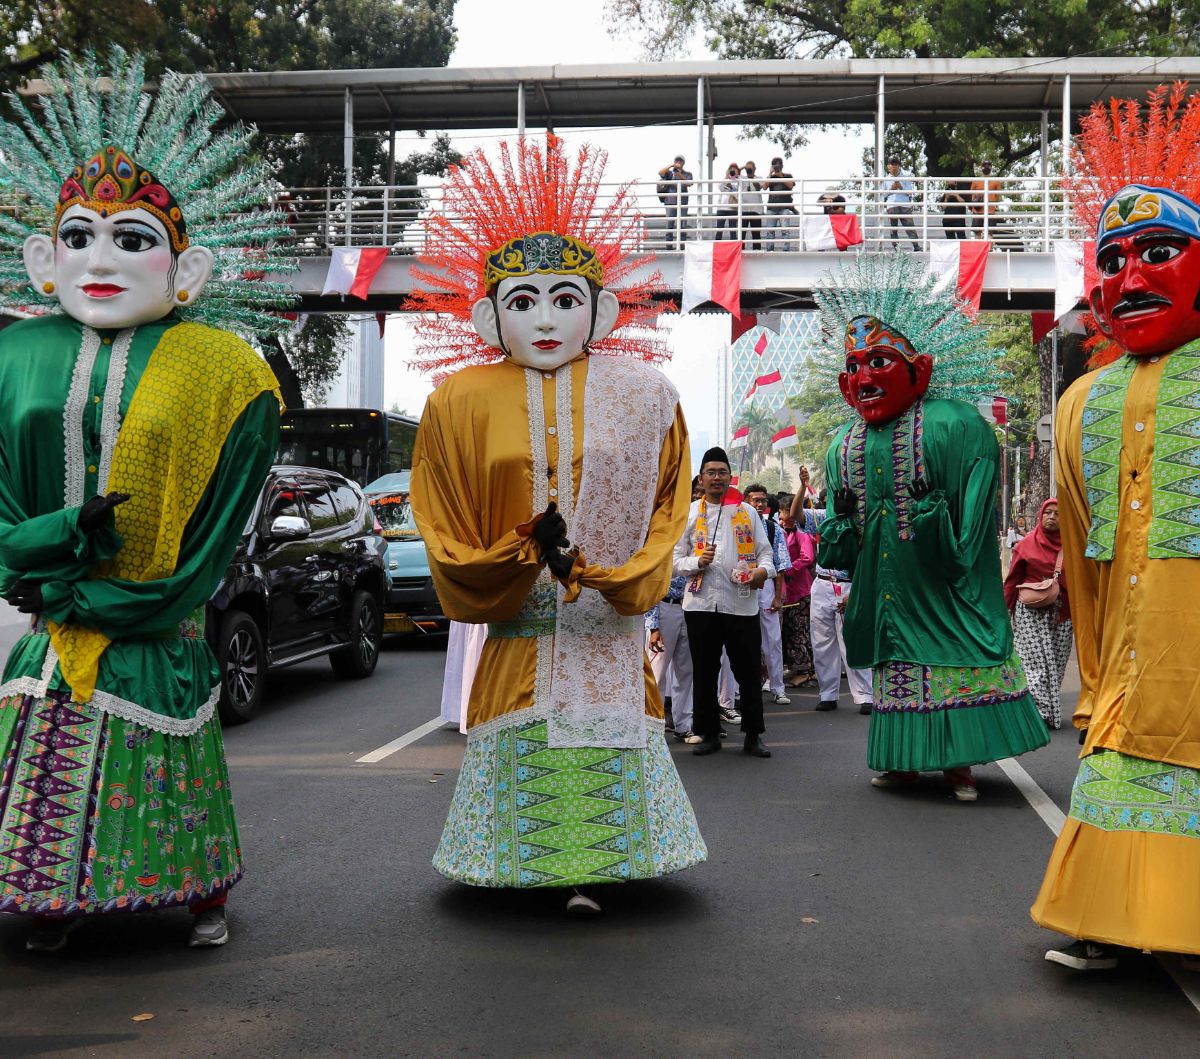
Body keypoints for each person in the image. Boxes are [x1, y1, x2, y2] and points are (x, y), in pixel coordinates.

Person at [0, 49, 290, 951]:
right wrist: (48, 551)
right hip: (56, 619)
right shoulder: (15, 357)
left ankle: (196, 892)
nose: (102, 259)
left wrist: (154, 594)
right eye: (80, 235)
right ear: (44, 258)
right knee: (45, 760)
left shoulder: (224, 368)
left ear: (184, 269)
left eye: (132, 240)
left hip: (156, 623)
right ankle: (51, 898)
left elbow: (221, 514)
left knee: (163, 762)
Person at [409, 136, 706, 913]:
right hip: (518, 629)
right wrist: (515, 556)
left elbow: (667, 510)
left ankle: (599, 863)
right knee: (525, 725)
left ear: (601, 309)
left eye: (565, 298)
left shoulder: (645, 396)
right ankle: (530, 861)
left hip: (605, 626)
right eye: (522, 300)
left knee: (604, 722)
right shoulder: (458, 401)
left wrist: (606, 574)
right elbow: (440, 517)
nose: (545, 318)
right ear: (487, 315)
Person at [1030, 84, 1200, 970]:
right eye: (1114, 258)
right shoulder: (1080, 402)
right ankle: (1109, 919)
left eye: (1161, 252)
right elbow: (1089, 555)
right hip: (1136, 659)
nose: (1130, 279)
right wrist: (1094, 672)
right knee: (1125, 766)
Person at [813, 252, 1048, 802]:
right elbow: (839, 549)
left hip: (943, 587)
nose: (862, 378)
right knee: (898, 675)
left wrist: (933, 519)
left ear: (921, 370)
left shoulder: (958, 426)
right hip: (890, 592)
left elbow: (968, 534)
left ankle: (958, 764)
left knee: (951, 665)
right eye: (852, 368)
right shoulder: (841, 445)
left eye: (879, 362)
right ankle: (902, 763)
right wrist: (842, 523)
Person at [674, 448, 775, 757]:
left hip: (741, 604)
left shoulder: (747, 511)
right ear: (701, 479)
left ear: (730, 477)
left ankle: (753, 734)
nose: (716, 478)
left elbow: (766, 554)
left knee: (747, 671)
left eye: (722, 472)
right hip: (701, 604)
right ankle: (708, 734)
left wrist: (761, 571)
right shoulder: (689, 513)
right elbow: (675, 560)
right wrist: (695, 560)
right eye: (710, 472)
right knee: (704, 670)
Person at [796, 491, 873, 714]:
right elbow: (794, 516)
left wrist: (856, 593)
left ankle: (865, 695)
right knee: (821, 641)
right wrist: (802, 486)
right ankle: (828, 694)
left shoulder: (863, 522)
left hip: (849, 584)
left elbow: (867, 560)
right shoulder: (822, 516)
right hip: (821, 584)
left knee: (852, 641)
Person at [1003, 499, 1070, 730]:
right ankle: (1038, 712)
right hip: (1030, 613)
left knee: (1057, 664)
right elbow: (1012, 581)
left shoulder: (1073, 547)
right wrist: (1006, 611)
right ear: (1040, 516)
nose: (1052, 517)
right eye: (1048, 513)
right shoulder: (1025, 545)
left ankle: (1048, 710)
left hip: (1063, 613)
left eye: (1058, 514)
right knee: (1035, 664)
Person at [743, 484, 791, 706]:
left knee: (772, 639)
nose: (760, 504)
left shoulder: (773, 529)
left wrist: (778, 596)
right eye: (755, 500)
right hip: (740, 587)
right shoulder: (737, 525)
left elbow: (780, 565)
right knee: (739, 640)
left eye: (763, 500)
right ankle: (734, 693)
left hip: (766, 587)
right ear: (745, 501)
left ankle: (778, 688)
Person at [647, 570, 699, 743]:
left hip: (691, 607)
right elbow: (651, 581)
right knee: (657, 672)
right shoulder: (663, 543)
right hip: (665, 606)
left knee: (686, 671)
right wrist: (653, 626)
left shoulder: (697, 543)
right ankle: (652, 726)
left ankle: (683, 726)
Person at [779, 477, 817, 687]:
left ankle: (805, 670)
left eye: (784, 512)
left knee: (799, 631)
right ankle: (799, 667)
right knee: (792, 630)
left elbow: (807, 558)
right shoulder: (780, 532)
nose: (782, 516)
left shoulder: (802, 534)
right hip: (788, 590)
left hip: (801, 590)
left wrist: (787, 568)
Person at [883, 158, 920, 252]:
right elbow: (883, 194)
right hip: (892, 205)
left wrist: (901, 187)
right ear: (888, 166)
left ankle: (916, 246)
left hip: (905, 205)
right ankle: (896, 248)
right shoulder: (885, 179)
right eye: (892, 164)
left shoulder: (905, 177)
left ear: (898, 166)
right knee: (893, 228)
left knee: (910, 227)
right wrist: (891, 189)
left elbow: (910, 192)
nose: (893, 166)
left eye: (895, 164)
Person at [657, 155, 693, 249]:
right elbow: (660, 172)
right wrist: (671, 166)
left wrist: (679, 175)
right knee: (669, 225)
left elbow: (689, 183)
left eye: (680, 161)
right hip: (670, 201)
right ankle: (669, 247)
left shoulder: (688, 174)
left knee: (682, 225)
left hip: (683, 202)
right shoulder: (669, 173)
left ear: (684, 162)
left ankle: (682, 247)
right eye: (677, 161)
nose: (679, 162)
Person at [764, 157, 798, 251]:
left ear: (782, 165)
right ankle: (770, 249)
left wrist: (780, 176)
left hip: (784, 207)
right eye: (775, 165)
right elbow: (764, 186)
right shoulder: (771, 177)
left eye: (778, 165)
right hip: (771, 207)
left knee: (785, 230)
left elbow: (790, 186)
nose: (777, 167)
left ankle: (786, 249)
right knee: (770, 231)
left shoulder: (788, 175)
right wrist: (770, 173)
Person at [740, 161, 765, 251]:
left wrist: (752, 178)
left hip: (756, 210)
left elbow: (759, 187)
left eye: (750, 168)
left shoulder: (759, 178)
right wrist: (744, 167)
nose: (749, 170)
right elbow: (735, 172)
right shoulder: (742, 179)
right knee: (742, 233)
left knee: (756, 234)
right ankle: (741, 251)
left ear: (755, 169)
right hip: (744, 210)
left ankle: (757, 252)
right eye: (747, 169)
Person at [969, 161, 999, 236]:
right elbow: (972, 196)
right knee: (977, 232)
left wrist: (995, 206)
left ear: (991, 167)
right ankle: (978, 248)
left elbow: (997, 196)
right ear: (981, 167)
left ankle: (989, 248)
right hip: (977, 210)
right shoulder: (975, 181)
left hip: (990, 210)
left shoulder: (996, 181)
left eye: (988, 165)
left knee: (990, 233)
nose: (986, 167)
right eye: (984, 165)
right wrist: (973, 208)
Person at [716, 163, 743, 241]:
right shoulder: (725, 179)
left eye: (735, 169)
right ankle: (718, 249)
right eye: (731, 169)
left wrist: (732, 187)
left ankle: (733, 250)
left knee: (733, 231)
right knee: (719, 230)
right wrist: (726, 177)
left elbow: (739, 196)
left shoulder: (739, 181)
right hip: (721, 208)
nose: (732, 171)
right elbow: (720, 187)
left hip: (733, 209)